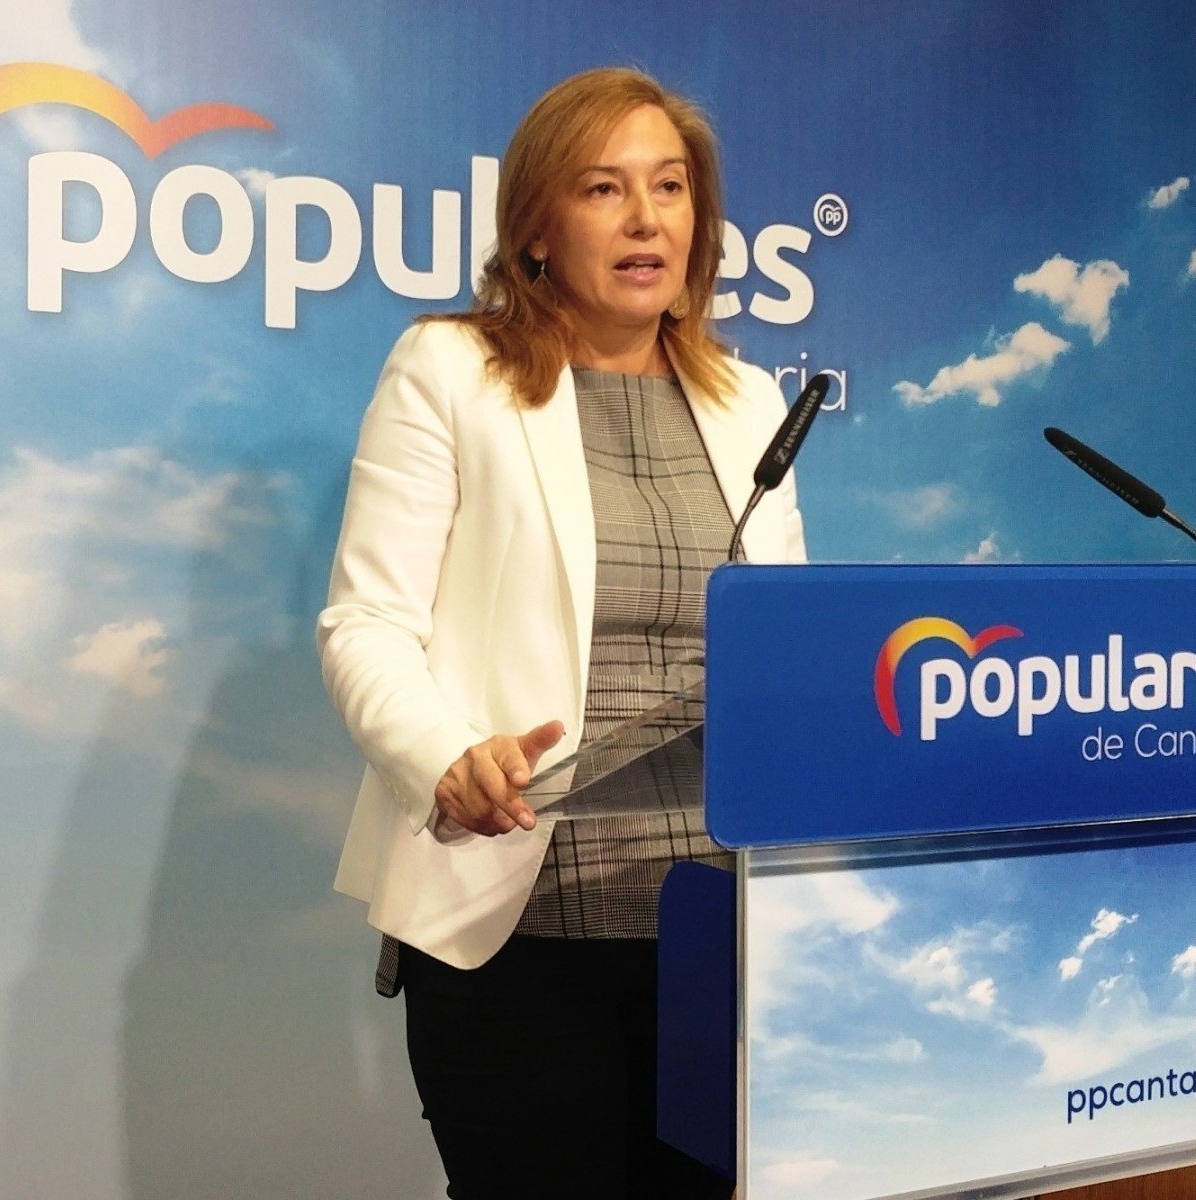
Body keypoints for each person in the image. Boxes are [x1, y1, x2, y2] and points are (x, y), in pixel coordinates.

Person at [318, 67, 804, 1198]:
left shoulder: (747, 401)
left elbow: (786, 646)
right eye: (603, 188)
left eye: (670, 187)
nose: (647, 219)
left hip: (720, 938)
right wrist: (447, 759)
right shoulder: (451, 371)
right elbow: (366, 624)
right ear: (537, 228)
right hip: (519, 932)